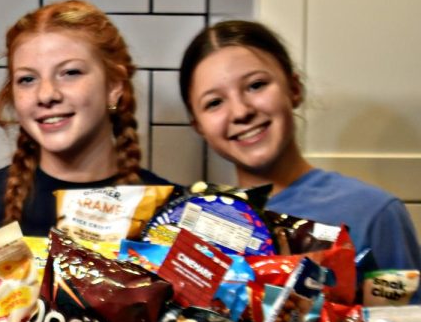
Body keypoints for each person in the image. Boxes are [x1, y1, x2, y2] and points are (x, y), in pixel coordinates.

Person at [178, 19, 421, 273]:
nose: (240, 111)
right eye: (214, 102)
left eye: (256, 85)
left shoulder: (374, 213)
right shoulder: (195, 226)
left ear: (294, 89)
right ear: (199, 127)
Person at [0, 0, 168, 241]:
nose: (46, 95)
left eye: (70, 73)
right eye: (27, 79)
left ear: (114, 86)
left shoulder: (170, 213)